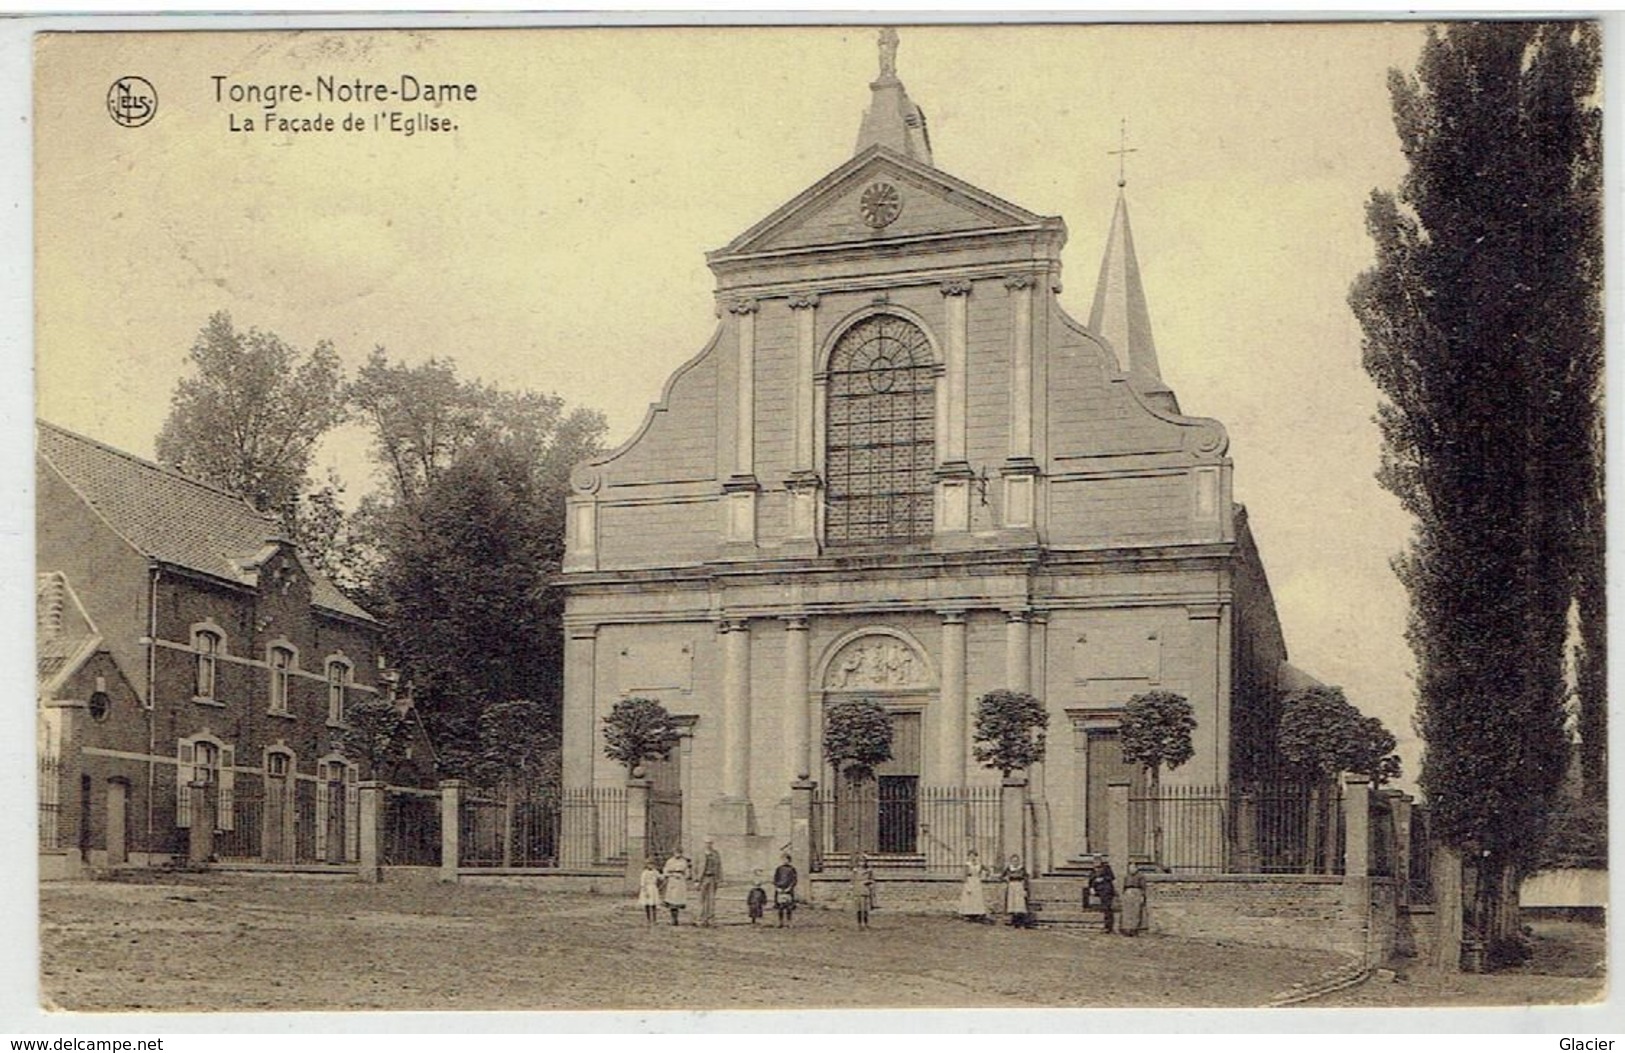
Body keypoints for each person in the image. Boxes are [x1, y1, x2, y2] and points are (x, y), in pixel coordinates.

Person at [697, 836, 723, 927]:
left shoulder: (716, 854)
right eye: (707, 843)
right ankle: (701, 919)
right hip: (703, 878)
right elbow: (695, 867)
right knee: (702, 899)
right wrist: (696, 880)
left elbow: (719, 867)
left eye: (710, 843)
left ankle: (711, 919)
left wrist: (719, 879)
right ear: (704, 843)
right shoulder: (700, 854)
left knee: (711, 899)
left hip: (713, 878)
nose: (708, 844)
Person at [956, 850, 989, 922]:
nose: (972, 857)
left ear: (976, 856)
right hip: (969, 881)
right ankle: (968, 914)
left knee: (977, 897)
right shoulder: (967, 865)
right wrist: (967, 886)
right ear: (968, 857)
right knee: (969, 898)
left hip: (977, 881)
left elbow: (987, 870)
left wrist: (985, 876)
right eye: (971, 856)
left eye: (974, 855)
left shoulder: (979, 864)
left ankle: (977, 913)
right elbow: (964, 876)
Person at [1002, 853, 1032, 928]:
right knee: (1012, 904)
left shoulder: (1022, 868)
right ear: (1011, 862)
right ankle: (1014, 922)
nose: (1015, 863)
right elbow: (1002, 876)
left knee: (1020, 904)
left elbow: (1026, 878)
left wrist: (1025, 889)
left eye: (1016, 861)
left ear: (1018, 861)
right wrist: (1006, 879)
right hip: (1011, 886)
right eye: (1013, 861)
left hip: (1019, 886)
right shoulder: (1009, 868)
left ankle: (1021, 922)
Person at [661, 847, 690, 926]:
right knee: (672, 900)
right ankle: (673, 919)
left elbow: (687, 873)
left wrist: (683, 876)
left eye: (679, 853)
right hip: (672, 881)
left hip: (680, 882)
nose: (678, 854)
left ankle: (676, 918)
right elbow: (665, 871)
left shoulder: (684, 861)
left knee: (678, 900)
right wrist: (671, 875)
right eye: (676, 852)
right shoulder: (670, 861)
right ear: (673, 853)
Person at [1089, 860, 1118, 934]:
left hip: (1107, 892)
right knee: (1104, 909)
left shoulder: (1107, 870)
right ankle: (1106, 926)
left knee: (1107, 909)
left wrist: (1103, 879)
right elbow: (1091, 880)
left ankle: (1108, 927)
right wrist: (1092, 888)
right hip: (1099, 892)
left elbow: (1111, 878)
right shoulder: (1093, 871)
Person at [772, 852, 799, 928]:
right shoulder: (779, 869)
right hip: (779, 889)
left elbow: (794, 880)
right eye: (783, 859)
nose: (785, 861)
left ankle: (789, 922)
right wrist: (777, 888)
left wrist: (789, 888)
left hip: (788, 890)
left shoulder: (792, 869)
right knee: (780, 907)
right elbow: (775, 879)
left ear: (789, 860)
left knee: (788, 907)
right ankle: (780, 922)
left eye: (786, 859)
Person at [851, 852, 876, 929]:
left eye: (863, 861)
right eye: (860, 861)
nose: (862, 863)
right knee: (858, 908)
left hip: (865, 890)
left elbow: (872, 880)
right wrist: (852, 887)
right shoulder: (855, 871)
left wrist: (868, 882)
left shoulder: (869, 871)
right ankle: (859, 923)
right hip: (857, 889)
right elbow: (852, 880)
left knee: (865, 908)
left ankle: (865, 923)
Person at [1120, 864, 1147, 936]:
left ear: (1136, 868)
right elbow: (1124, 886)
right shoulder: (1127, 876)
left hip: (1136, 892)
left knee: (1136, 911)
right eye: (1130, 868)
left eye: (1133, 868)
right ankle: (1126, 928)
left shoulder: (1141, 876)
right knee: (1127, 912)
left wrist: (1142, 896)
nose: (1131, 869)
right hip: (1128, 893)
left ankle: (1134, 929)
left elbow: (1143, 887)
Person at [637, 857, 662, 927]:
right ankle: (648, 919)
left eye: (652, 864)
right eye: (649, 864)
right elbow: (642, 882)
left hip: (653, 888)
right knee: (647, 904)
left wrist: (666, 875)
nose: (651, 866)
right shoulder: (644, 873)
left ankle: (654, 919)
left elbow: (660, 877)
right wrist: (645, 891)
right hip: (647, 888)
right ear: (646, 865)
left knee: (653, 904)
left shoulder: (655, 872)